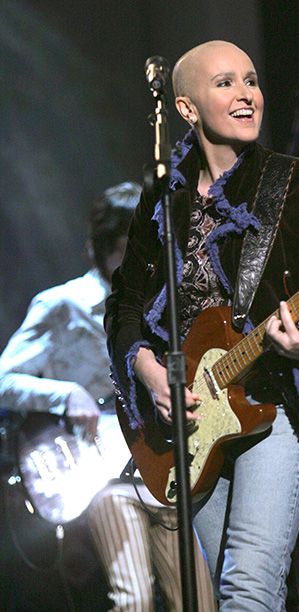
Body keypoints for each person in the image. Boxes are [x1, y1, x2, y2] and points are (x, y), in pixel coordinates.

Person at [105, 40, 299, 610]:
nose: (247, 95)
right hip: (193, 423)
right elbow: (123, 305)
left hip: (277, 406)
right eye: (225, 84)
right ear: (188, 109)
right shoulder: (161, 199)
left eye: (251, 80)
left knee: (250, 587)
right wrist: (146, 369)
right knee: (225, 592)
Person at [0, 182, 216, 611]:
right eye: (126, 248)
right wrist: (67, 395)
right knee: (133, 599)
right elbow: (3, 378)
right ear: (102, 248)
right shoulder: (63, 304)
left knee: (198, 600)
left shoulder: (164, 308)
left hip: (163, 465)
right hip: (99, 471)